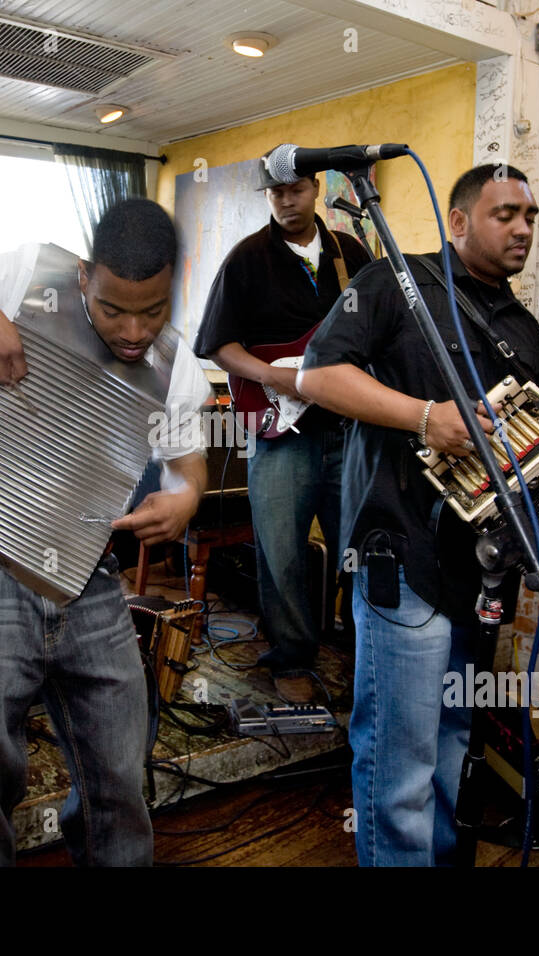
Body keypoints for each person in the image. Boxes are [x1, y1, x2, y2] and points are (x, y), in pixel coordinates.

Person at [297, 164, 539, 866]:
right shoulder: (394, 285)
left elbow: (535, 465)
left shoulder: (525, 330)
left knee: (451, 742)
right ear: (457, 222)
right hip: (402, 561)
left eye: (530, 216)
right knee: (399, 764)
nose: (522, 228)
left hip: (480, 576)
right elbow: (316, 375)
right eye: (503, 213)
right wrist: (426, 418)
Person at [0, 199, 210, 866]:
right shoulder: (31, 274)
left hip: (88, 580)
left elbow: (187, 463)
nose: (131, 329)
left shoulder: (172, 358)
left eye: (149, 311)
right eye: (113, 308)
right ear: (87, 274)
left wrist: (184, 499)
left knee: (119, 768)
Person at [192, 152, 371, 702]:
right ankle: (291, 653)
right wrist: (275, 376)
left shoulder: (352, 252)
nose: (286, 200)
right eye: (275, 193)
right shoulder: (246, 260)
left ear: (316, 188)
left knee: (361, 545)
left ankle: (367, 648)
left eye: (294, 189)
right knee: (281, 549)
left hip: (348, 428)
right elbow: (217, 345)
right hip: (281, 428)